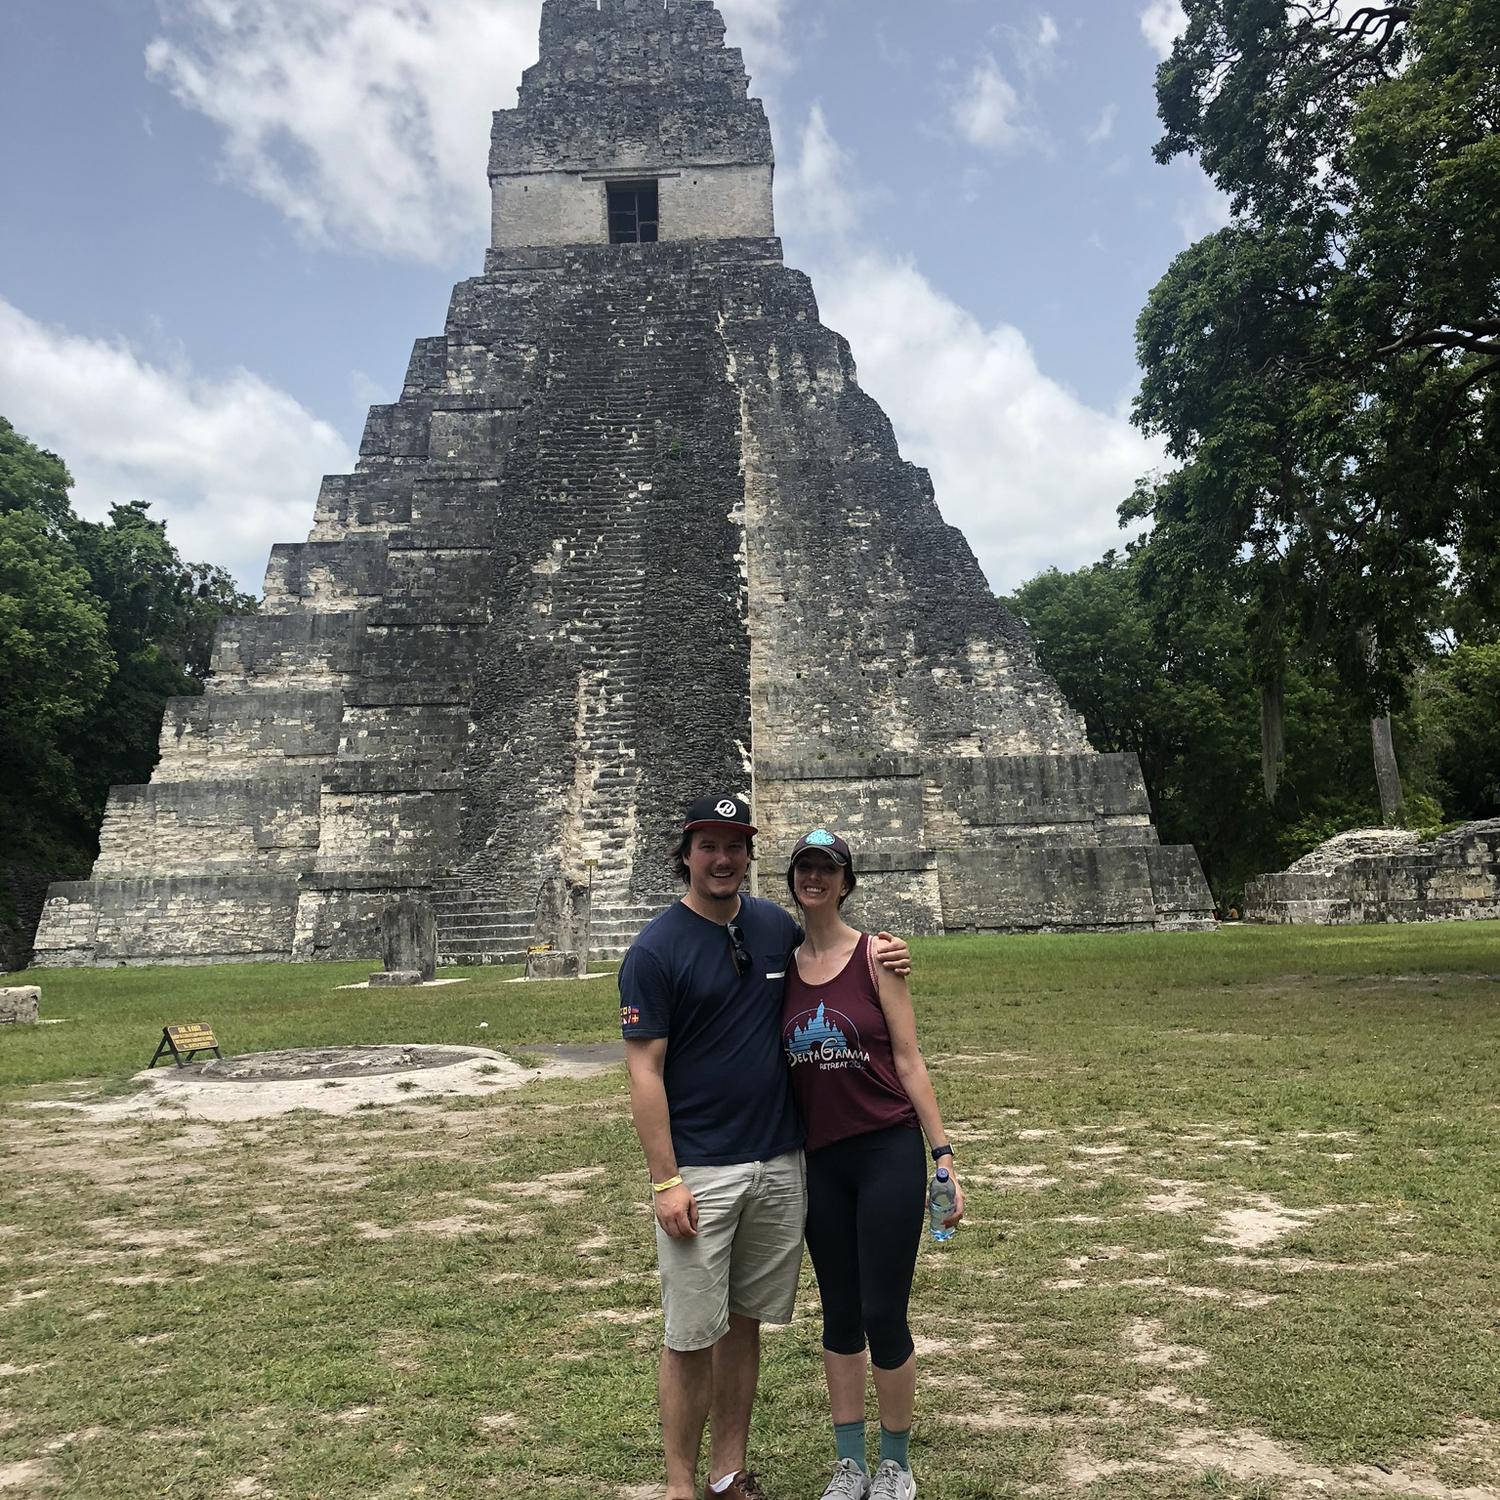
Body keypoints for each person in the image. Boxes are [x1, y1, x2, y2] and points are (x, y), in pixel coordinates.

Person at [621, 795, 912, 1500]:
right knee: (690, 1333)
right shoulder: (654, 950)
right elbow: (643, 1071)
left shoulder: (772, 927)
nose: (724, 860)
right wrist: (666, 1181)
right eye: (708, 846)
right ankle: (682, 1484)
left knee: (744, 1324)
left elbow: (831, 952)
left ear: (749, 856)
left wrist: (885, 947)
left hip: (782, 1162)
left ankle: (729, 1471)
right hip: (702, 1170)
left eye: (736, 847)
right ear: (684, 854)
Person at [780, 829, 964, 1500]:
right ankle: (848, 1462)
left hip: (885, 1147)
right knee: (838, 1313)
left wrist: (942, 1153)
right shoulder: (782, 965)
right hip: (820, 1159)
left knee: (884, 1311)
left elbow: (909, 1059)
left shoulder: (877, 956)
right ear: (793, 879)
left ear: (846, 880)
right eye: (805, 867)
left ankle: (895, 1463)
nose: (815, 879)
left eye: (827, 868)